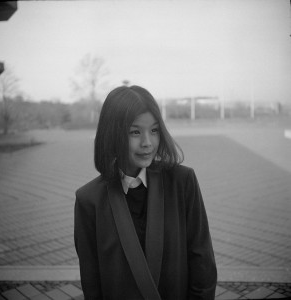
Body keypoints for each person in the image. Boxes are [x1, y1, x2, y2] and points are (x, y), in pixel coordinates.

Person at [74, 85, 217, 300]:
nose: (147, 143)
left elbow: (202, 263)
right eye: (135, 132)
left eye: (154, 130)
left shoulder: (182, 182)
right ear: (112, 134)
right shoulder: (89, 200)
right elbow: (92, 282)